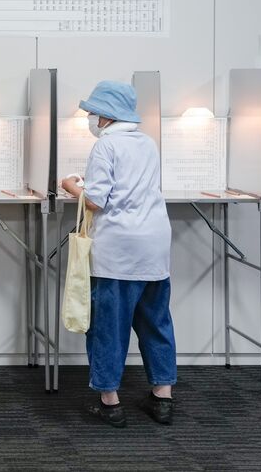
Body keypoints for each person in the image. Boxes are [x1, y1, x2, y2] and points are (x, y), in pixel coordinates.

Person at [60, 81, 176, 428]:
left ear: (106, 116)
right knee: (156, 322)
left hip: (118, 251)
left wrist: (70, 184)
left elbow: (96, 200)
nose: (90, 118)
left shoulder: (106, 147)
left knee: (109, 327)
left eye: (93, 112)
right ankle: (162, 397)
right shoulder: (148, 143)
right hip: (155, 247)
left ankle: (109, 401)